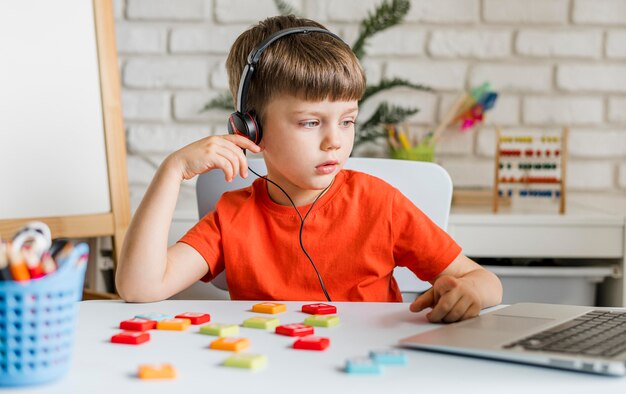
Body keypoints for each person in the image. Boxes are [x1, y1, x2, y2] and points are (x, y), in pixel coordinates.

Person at [116, 15, 502, 323]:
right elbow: (139, 287)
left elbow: (485, 282)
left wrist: (469, 294)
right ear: (251, 129)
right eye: (310, 122)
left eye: (347, 121)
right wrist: (172, 170)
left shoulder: (379, 204)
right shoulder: (232, 217)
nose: (335, 140)